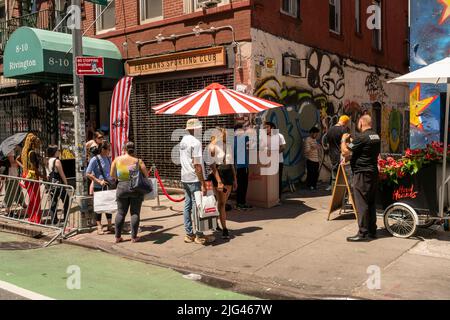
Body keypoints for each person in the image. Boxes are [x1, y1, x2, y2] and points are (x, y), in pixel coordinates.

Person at [341, 115, 381, 242]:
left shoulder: (362, 137)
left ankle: (362, 233)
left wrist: (343, 140)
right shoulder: (375, 136)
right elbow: (362, 149)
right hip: (372, 172)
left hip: (362, 173)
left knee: (361, 203)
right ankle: (372, 231)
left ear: (362, 122)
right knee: (370, 202)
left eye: (359, 122)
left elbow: (345, 152)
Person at [180, 119, 213, 245]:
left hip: (185, 176)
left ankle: (189, 234)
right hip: (194, 178)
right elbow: (197, 165)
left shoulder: (183, 141)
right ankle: (199, 234)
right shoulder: (196, 142)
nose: (201, 130)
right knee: (197, 206)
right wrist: (203, 183)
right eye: (199, 128)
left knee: (187, 205)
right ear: (195, 129)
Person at [110, 141, 148, 243]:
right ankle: (134, 237)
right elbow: (146, 174)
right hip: (135, 188)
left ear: (124, 149)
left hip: (121, 187)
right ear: (133, 149)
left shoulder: (117, 160)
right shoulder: (138, 161)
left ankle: (118, 237)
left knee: (121, 213)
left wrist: (121, 178)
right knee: (135, 213)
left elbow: (112, 174)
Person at [208, 128, 237, 239]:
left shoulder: (227, 145)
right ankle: (224, 228)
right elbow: (212, 166)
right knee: (221, 203)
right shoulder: (212, 146)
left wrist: (235, 179)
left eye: (222, 133)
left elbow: (232, 164)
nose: (222, 134)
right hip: (218, 175)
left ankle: (216, 223)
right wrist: (219, 181)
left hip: (228, 174)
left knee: (222, 202)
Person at [86, 141, 115, 235]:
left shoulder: (108, 158)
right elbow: (88, 173)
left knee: (108, 206)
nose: (109, 151)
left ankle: (110, 225)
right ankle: (99, 226)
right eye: (108, 150)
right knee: (99, 207)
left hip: (108, 185)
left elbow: (110, 171)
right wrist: (98, 181)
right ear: (103, 149)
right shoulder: (94, 159)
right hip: (99, 186)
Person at [20, 133, 42, 224]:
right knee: (36, 199)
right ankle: (36, 219)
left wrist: (25, 168)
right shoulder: (32, 153)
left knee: (32, 198)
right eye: (37, 143)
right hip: (32, 177)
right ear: (33, 143)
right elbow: (35, 167)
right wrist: (41, 175)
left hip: (26, 175)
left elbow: (18, 159)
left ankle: (32, 218)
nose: (38, 145)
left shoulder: (24, 151)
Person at [45, 145, 70, 225]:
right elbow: (62, 174)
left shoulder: (47, 160)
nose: (59, 152)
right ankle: (66, 218)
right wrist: (66, 184)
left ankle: (54, 220)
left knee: (53, 202)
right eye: (58, 151)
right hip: (58, 185)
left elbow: (47, 174)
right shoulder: (57, 161)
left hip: (51, 184)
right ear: (55, 152)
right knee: (66, 200)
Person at [325, 115, 350, 191]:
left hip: (332, 154)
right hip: (341, 155)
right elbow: (347, 143)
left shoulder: (330, 130)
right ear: (345, 122)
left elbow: (328, 143)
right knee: (343, 176)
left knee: (334, 175)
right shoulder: (343, 130)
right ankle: (342, 194)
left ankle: (334, 192)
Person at [263, 122, 286, 202]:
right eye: (264, 127)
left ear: (272, 127)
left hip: (278, 161)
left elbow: (283, 147)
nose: (265, 129)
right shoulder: (264, 137)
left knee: (278, 180)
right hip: (268, 162)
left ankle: (278, 198)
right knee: (269, 181)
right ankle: (270, 197)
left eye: (267, 127)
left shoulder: (279, 136)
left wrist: (274, 154)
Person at [234, 124, 252, 210]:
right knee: (243, 185)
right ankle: (241, 203)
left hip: (237, 165)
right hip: (242, 165)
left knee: (239, 185)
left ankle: (240, 203)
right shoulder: (243, 137)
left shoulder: (233, 139)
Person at [3, 147, 26, 215]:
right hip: (11, 175)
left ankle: (23, 203)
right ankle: (7, 209)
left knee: (18, 189)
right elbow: (12, 163)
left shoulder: (8, 150)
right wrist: (20, 163)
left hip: (12, 175)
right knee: (10, 192)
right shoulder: (10, 150)